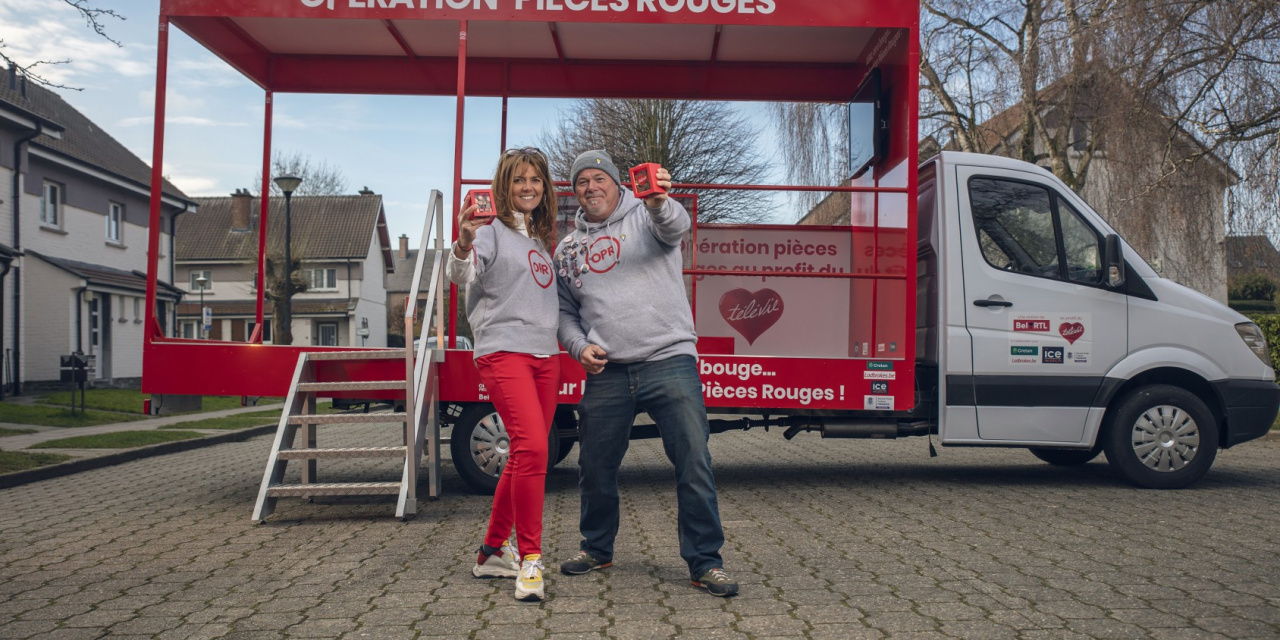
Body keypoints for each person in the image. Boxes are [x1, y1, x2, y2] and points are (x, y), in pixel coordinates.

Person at [554, 149, 738, 597]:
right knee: (594, 465)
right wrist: (579, 346)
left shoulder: (647, 216)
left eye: (599, 178)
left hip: (669, 359)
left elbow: (676, 226)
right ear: (574, 191)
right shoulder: (567, 248)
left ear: (617, 184)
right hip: (608, 371)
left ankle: (704, 562)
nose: (591, 187)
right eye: (582, 182)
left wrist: (657, 201)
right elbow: (564, 313)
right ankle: (597, 548)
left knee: (693, 461)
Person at [448, 147, 560, 602]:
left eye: (535, 179)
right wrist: (462, 243)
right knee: (533, 447)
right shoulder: (490, 232)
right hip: (504, 352)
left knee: (523, 457)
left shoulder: (537, 240)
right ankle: (530, 558)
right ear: (503, 186)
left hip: (546, 357)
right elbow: (463, 273)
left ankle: (492, 552)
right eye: (518, 180)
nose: (527, 187)